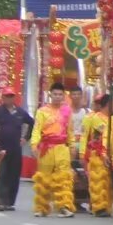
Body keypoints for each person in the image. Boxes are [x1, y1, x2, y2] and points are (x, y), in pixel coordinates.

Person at [31, 89, 76, 217]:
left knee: (64, 177)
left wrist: (72, 145)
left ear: (63, 96)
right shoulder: (42, 111)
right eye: (55, 94)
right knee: (44, 178)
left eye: (60, 94)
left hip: (62, 147)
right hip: (46, 148)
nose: (57, 97)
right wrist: (34, 145)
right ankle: (41, 207)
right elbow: (36, 129)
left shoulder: (67, 111)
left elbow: (70, 130)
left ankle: (64, 206)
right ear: (50, 95)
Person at [0, 89, 31, 212]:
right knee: (2, 174)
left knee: (14, 175)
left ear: (14, 97)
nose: (9, 98)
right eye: (6, 96)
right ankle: (2, 201)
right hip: (1, 148)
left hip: (16, 148)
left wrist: (26, 138)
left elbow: (32, 123)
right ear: (3, 97)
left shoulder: (20, 112)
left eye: (11, 96)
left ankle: (10, 202)